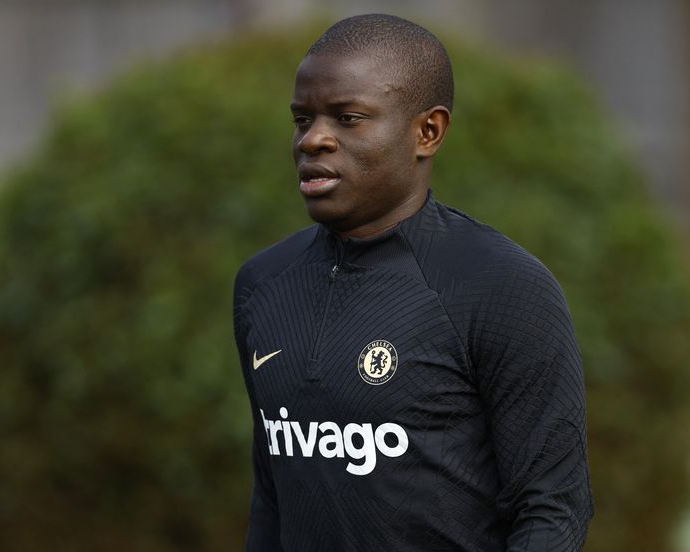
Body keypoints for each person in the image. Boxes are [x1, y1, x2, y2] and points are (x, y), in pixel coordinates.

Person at [233, 13, 593, 552]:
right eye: (302, 119)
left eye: (348, 118)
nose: (313, 141)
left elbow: (553, 511)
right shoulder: (262, 285)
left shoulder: (500, 286)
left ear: (428, 132)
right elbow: (272, 498)